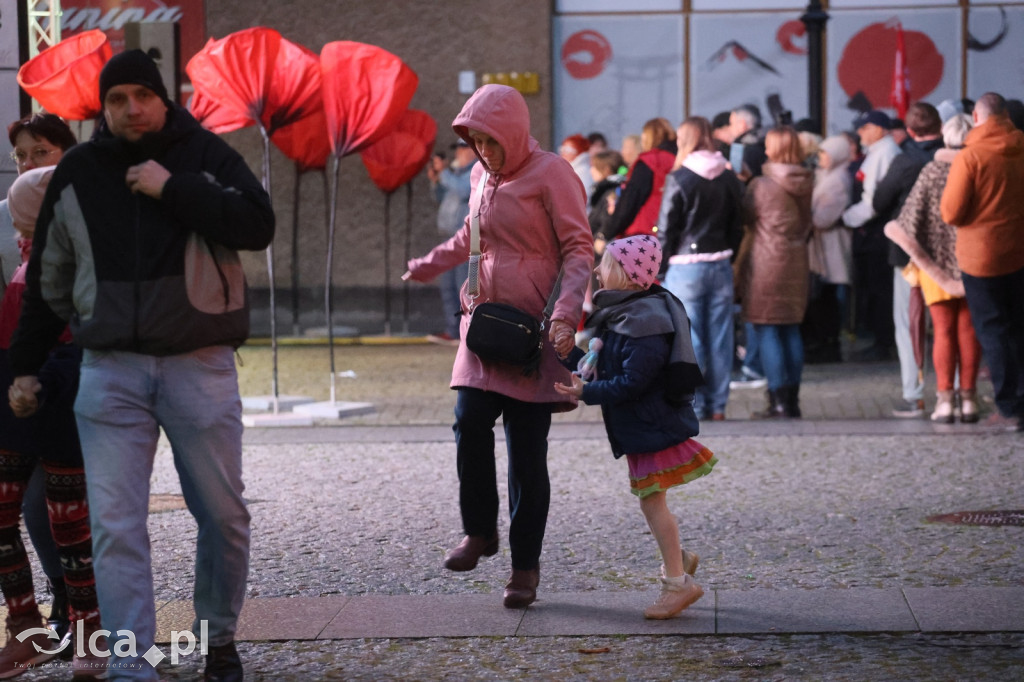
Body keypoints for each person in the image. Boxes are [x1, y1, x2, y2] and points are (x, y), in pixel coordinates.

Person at [8, 50, 275, 680]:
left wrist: (172, 188)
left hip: (198, 363)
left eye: (143, 96)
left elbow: (257, 224)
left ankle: (216, 639)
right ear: (103, 107)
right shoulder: (78, 170)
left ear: (163, 99)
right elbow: (51, 275)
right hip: (110, 369)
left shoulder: (204, 154)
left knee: (223, 514)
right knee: (116, 523)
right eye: (118, 98)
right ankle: (131, 665)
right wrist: (25, 363)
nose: (132, 108)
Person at [403, 84, 594, 608]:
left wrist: (565, 316)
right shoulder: (478, 174)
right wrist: (429, 264)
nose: (482, 150)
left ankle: (524, 568)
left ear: (512, 131)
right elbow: (471, 235)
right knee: (468, 423)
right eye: (474, 140)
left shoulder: (553, 173)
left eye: (490, 140)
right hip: (483, 326)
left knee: (527, 455)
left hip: (535, 332)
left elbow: (579, 247)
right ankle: (480, 531)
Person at [554, 235, 715, 619]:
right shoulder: (629, 312)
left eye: (605, 263)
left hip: (651, 426)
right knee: (652, 502)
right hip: (645, 426)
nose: (596, 270)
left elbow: (632, 382)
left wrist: (587, 392)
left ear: (626, 274)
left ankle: (678, 584)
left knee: (652, 502)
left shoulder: (643, 322)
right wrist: (569, 355)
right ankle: (679, 557)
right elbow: (608, 366)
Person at [0, 167, 107, 679]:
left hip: (59, 403)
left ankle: (89, 630)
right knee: (11, 515)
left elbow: (78, 339)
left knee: (71, 526)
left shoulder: (75, 261)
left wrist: (43, 382)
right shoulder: (25, 260)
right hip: (14, 401)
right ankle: (26, 625)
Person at [1, 112, 78, 644]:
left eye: (41, 152)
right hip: (15, 380)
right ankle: (45, 610)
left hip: (71, 383)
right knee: (24, 504)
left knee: (62, 507)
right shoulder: (9, 222)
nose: (29, 164)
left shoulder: (85, 220)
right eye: (20, 157)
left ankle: (82, 616)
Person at [885, 114, 981, 423]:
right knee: (969, 330)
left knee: (942, 330)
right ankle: (969, 400)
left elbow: (911, 219)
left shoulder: (932, 170)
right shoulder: (979, 167)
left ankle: (944, 403)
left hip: (935, 264)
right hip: (973, 262)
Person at [940, 92, 1024, 433]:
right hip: (1019, 250)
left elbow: (951, 212)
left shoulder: (970, 157)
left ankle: (1009, 407)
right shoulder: (1021, 146)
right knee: (1019, 327)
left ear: (976, 117)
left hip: (982, 257)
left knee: (993, 332)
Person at [658, 116, 744, 421]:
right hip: (720, 262)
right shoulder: (729, 176)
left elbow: (667, 229)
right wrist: (728, 254)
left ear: (685, 140)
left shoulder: (680, 177)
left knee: (688, 338)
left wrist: (659, 267)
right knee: (721, 337)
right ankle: (718, 406)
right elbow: (739, 224)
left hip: (684, 266)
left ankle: (689, 404)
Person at [737, 126, 814, 418]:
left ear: (775, 149)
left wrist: (744, 184)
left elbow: (747, 216)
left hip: (767, 261)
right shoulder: (807, 180)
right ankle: (792, 400)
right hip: (796, 259)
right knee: (791, 327)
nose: (765, 150)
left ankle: (777, 400)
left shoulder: (762, 184)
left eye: (769, 145)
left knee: (767, 327)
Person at [842, 110, 902, 362]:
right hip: (870, 234)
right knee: (874, 290)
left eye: (865, 128)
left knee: (881, 291)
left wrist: (846, 218)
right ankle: (881, 339)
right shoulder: (876, 153)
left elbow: (874, 201)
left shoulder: (885, 154)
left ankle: (883, 342)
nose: (860, 133)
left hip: (878, 235)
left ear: (879, 129)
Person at [804, 135, 855, 365]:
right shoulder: (827, 176)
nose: (821, 158)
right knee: (824, 297)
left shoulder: (838, 180)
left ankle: (829, 345)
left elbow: (823, 219)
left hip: (830, 247)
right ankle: (825, 343)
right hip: (823, 247)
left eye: (826, 154)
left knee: (826, 298)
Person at [426, 139, 477, 346]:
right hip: (449, 236)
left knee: (462, 285)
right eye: (457, 148)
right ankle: (453, 330)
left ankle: (466, 332)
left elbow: (464, 190)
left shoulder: (477, 171)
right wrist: (436, 180)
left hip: (466, 238)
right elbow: (441, 197)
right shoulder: (455, 173)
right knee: (447, 285)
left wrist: (444, 173)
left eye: (463, 148)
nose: (459, 153)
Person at [602, 118, 677, 248]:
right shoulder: (678, 159)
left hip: (642, 234)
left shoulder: (649, 162)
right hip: (669, 230)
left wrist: (606, 233)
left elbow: (631, 200)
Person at [559, 133, 594, 201]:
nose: (563, 153)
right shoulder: (570, 170)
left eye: (567, 150)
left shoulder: (582, 171)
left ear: (579, 152)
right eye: (562, 149)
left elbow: (582, 197)